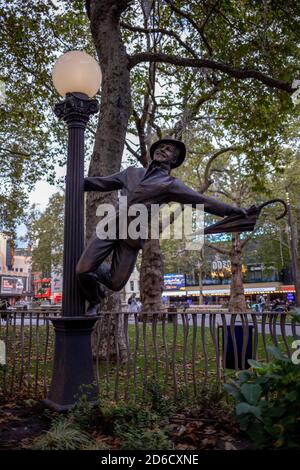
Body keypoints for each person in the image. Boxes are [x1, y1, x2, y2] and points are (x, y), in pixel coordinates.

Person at [76, 136, 279, 316]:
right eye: (160, 147)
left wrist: (235, 211)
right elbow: (101, 183)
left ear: (173, 160)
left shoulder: (170, 184)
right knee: (83, 270)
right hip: (111, 226)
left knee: (115, 283)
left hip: (131, 238)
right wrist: (77, 181)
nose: (162, 150)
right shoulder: (132, 173)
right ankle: (93, 295)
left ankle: (92, 273)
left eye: (168, 149)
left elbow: (205, 201)